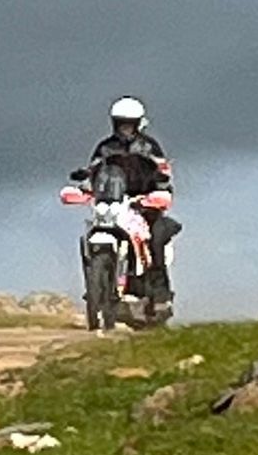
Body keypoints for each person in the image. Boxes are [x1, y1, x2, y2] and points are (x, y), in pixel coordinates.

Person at [71, 96, 179, 314]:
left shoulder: (149, 147)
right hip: (113, 200)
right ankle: (96, 287)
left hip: (144, 204)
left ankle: (160, 295)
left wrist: (159, 192)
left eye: (129, 123)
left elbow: (163, 172)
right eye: (121, 123)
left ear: (139, 123)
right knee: (90, 234)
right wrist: (84, 186)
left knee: (156, 238)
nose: (125, 128)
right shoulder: (105, 147)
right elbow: (93, 171)